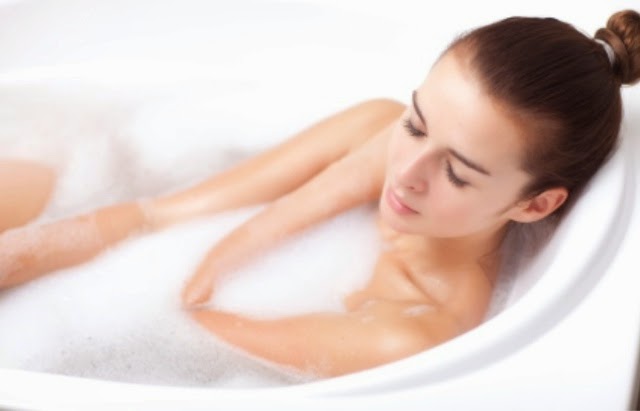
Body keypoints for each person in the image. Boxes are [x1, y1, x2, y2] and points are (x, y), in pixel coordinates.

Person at [0, 10, 638, 377]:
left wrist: (192, 275)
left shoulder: (409, 332)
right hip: (163, 169)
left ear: (534, 205)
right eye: (417, 124)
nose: (405, 173)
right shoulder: (380, 132)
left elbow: (178, 329)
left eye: (458, 173)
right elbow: (155, 213)